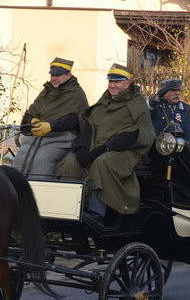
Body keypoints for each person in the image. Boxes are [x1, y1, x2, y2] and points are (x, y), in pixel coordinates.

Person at [62, 63, 155, 221]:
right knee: (72, 162)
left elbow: (143, 134)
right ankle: (69, 207)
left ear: (128, 83)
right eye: (110, 81)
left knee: (103, 162)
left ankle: (96, 212)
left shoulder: (137, 104)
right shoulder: (104, 101)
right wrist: (82, 149)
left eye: (117, 82)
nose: (112, 85)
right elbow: (90, 126)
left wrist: (105, 148)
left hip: (124, 152)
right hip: (97, 148)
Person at [12, 57, 89, 177]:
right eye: (52, 74)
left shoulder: (76, 94)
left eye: (58, 75)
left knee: (42, 159)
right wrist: (31, 120)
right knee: (21, 157)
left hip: (61, 139)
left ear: (68, 75)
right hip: (35, 138)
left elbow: (74, 120)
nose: (54, 78)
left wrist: (51, 126)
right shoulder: (46, 91)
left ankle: (40, 192)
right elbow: (29, 114)